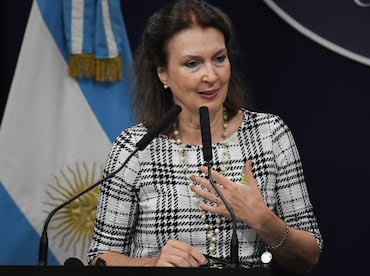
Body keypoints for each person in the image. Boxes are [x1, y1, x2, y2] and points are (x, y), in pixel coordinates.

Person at [87, 0, 323, 273]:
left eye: (219, 59)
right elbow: (100, 258)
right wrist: (151, 264)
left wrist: (264, 220)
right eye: (192, 64)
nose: (211, 76)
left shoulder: (270, 135)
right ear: (163, 72)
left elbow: (309, 256)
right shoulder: (135, 146)